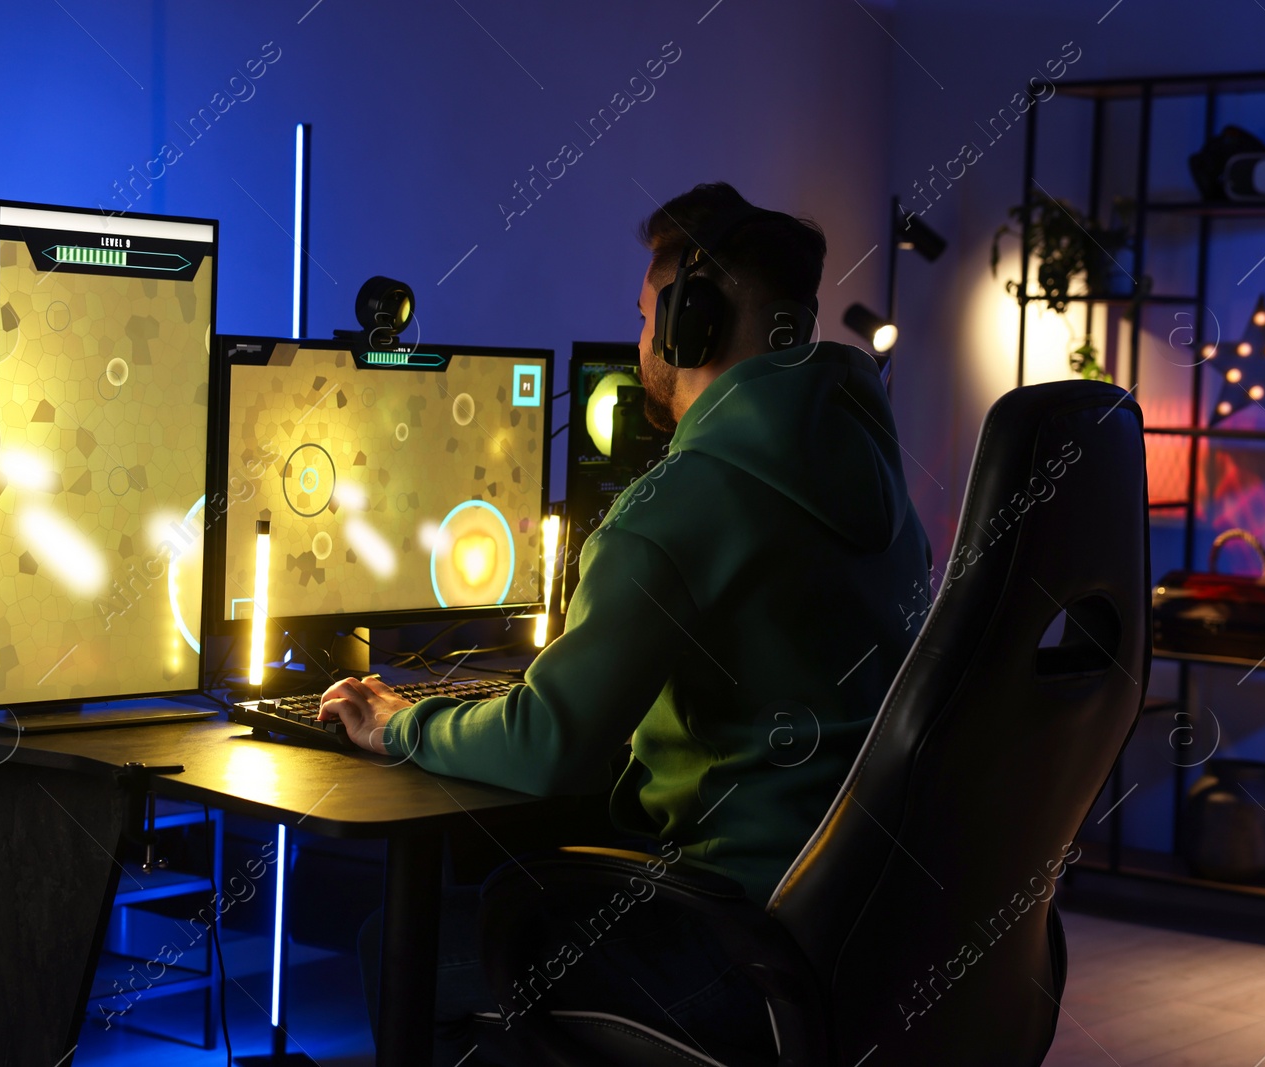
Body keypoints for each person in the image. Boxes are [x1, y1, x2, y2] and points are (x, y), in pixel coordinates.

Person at [323, 181, 932, 1064]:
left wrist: (398, 720)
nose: (641, 339)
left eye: (648, 316)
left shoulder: (679, 504)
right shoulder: (875, 475)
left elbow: (544, 743)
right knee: (516, 877)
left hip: (742, 942)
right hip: (872, 928)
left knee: (406, 942)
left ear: (692, 325)